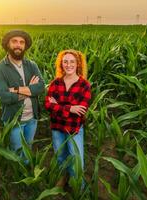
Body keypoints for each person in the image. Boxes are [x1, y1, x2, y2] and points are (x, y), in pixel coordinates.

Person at [0, 30, 45, 157]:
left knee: (28, 148)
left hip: (32, 118)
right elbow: (3, 96)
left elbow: (41, 87)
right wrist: (30, 90)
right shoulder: (0, 68)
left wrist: (15, 90)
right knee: (16, 152)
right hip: (13, 120)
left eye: (22, 42)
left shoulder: (32, 65)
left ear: (25, 46)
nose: (18, 45)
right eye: (14, 41)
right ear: (8, 44)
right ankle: (18, 176)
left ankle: (26, 171)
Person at [44, 49, 91, 187]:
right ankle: (63, 179)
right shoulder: (55, 83)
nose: (68, 65)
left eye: (72, 62)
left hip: (74, 128)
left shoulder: (84, 85)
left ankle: (78, 188)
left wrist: (57, 106)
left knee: (77, 160)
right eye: (65, 62)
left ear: (78, 64)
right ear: (61, 64)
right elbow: (47, 105)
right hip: (57, 127)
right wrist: (70, 108)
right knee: (60, 157)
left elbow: (81, 110)